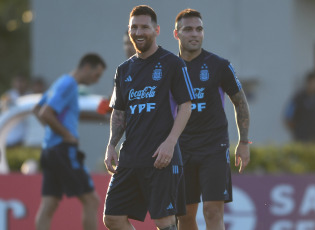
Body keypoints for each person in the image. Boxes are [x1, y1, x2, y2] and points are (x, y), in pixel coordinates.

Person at [103, 5, 195, 230]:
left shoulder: (172, 63)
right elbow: (119, 111)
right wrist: (112, 144)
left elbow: (186, 105)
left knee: (164, 222)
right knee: (112, 217)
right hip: (131, 157)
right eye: (134, 27)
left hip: (161, 157)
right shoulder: (123, 70)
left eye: (145, 27)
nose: (139, 32)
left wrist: (170, 142)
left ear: (156, 30)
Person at [173, 9, 251, 230]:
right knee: (185, 216)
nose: (195, 34)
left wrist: (244, 142)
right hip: (181, 148)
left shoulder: (219, 65)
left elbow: (241, 103)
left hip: (213, 147)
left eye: (199, 29)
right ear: (176, 34)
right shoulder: (168, 67)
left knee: (213, 211)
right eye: (188, 29)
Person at [33, 53, 106, 230]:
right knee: (91, 201)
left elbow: (37, 109)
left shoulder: (60, 82)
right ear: (87, 67)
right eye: (96, 75)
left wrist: (103, 117)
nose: (96, 80)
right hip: (64, 150)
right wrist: (67, 136)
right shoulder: (69, 85)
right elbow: (45, 113)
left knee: (49, 204)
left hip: (50, 150)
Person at [97, 31, 136, 115]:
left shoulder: (153, 68)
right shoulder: (122, 71)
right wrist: (107, 102)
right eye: (126, 44)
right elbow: (115, 100)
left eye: (131, 43)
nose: (128, 47)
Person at [284, 71, 315, 144]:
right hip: (303, 140)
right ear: (311, 82)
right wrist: (298, 130)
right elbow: (288, 116)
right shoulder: (298, 98)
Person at [0, 74, 29, 146]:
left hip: (24, 132)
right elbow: (3, 108)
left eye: (22, 82)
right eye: (18, 82)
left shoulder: (29, 95)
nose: (20, 84)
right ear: (14, 83)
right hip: (11, 134)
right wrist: (6, 103)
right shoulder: (8, 95)